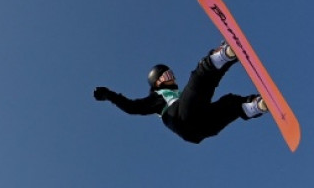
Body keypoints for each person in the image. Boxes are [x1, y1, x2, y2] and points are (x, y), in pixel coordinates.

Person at [93, 43, 268, 144]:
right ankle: (222, 55)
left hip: (200, 129)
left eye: (172, 74)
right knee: (199, 76)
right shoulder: (157, 98)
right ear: (156, 82)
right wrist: (109, 94)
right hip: (180, 118)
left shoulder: (180, 95)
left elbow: (206, 87)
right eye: (166, 75)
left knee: (228, 103)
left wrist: (232, 59)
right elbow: (131, 107)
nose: (172, 78)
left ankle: (255, 106)